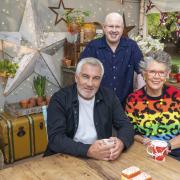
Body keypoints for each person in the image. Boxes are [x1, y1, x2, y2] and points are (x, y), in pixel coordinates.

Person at [44, 57, 134, 161]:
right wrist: (89, 150)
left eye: (96, 78)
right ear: (76, 77)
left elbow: (126, 125)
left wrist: (122, 142)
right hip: (66, 156)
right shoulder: (60, 99)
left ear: (101, 80)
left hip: (100, 156)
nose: (90, 84)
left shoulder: (109, 96)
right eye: (85, 77)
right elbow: (56, 139)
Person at [125, 50, 180, 160]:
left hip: (175, 154)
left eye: (161, 72)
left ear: (167, 74)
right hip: (146, 152)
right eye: (152, 71)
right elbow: (130, 130)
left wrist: (166, 146)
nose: (156, 76)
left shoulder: (177, 96)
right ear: (144, 73)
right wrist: (142, 140)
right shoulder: (133, 100)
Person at [80, 12, 143, 107]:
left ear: (122, 29)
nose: (114, 30)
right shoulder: (93, 47)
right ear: (104, 28)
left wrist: (139, 99)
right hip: (98, 104)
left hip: (125, 105)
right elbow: (82, 74)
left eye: (117, 27)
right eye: (110, 26)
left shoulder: (131, 46)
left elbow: (141, 72)